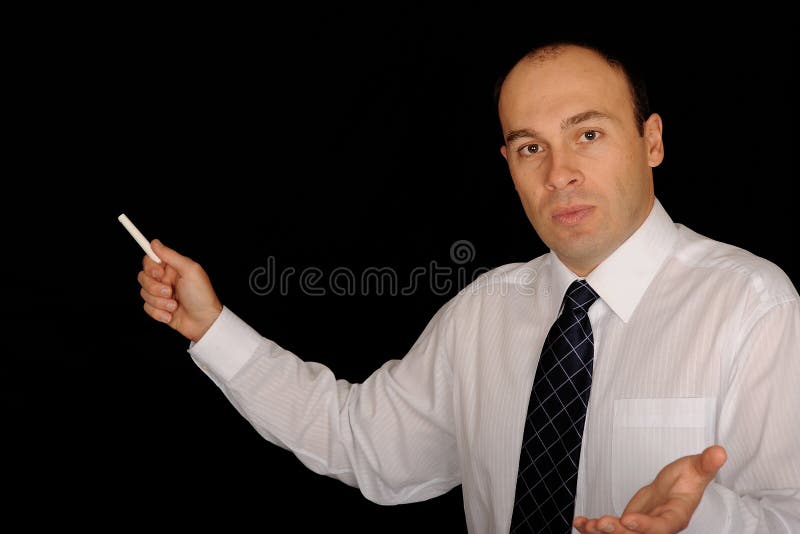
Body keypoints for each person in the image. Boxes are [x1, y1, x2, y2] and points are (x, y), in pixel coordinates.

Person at [135, 42, 800, 533]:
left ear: (651, 141)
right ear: (509, 165)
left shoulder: (754, 305)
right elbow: (357, 440)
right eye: (530, 148)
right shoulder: (484, 311)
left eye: (588, 134)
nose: (559, 173)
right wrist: (211, 326)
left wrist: (704, 522)